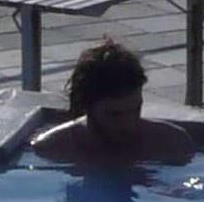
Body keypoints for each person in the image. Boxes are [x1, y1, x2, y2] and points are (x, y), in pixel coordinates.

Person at [28, 39, 195, 168]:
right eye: (115, 115)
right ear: (86, 105)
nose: (129, 124)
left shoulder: (171, 143)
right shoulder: (53, 148)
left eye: (136, 109)